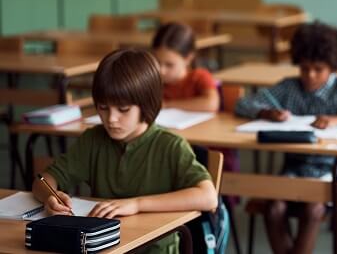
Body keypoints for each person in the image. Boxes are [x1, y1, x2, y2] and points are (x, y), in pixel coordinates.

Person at [33, 49, 218, 253]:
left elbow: (208, 197)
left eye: (123, 110)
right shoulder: (93, 139)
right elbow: (43, 180)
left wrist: (137, 204)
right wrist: (51, 197)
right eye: (103, 107)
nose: (111, 118)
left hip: (155, 249)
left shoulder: (170, 146)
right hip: (104, 247)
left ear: (147, 104)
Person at [235, 21, 337, 254]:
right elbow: (244, 102)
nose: (310, 75)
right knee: (273, 208)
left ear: (332, 66)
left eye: (318, 69)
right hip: (298, 167)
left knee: (313, 207)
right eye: (304, 68)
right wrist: (268, 112)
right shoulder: (290, 88)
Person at [152, 22, 220, 112]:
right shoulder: (152, 80)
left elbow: (212, 104)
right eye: (157, 62)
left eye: (169, 65)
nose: (161, 70)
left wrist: (168, 104)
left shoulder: (199, 77)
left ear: (188, 58)